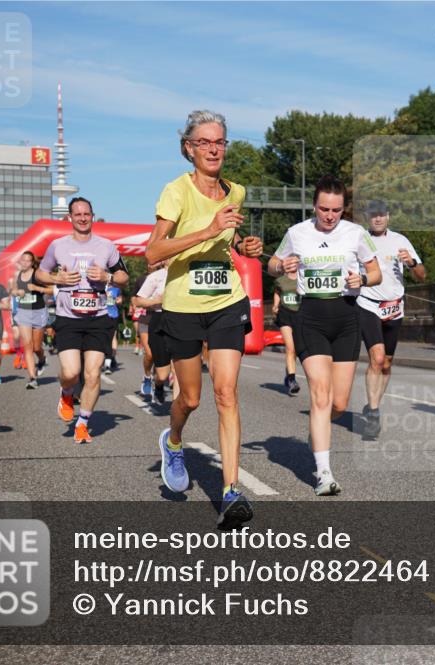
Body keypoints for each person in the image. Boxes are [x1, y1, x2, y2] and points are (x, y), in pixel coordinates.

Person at [145, 110, 263, 529]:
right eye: (205, 142)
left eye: (220, 142)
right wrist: (209, 228)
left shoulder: (236, 191)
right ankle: (174, 441)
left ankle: (231, 491)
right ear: (189, 148)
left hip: (227, 301)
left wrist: (244, 247)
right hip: (182, 307)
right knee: (190, 398)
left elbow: (227, 243)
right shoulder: (176, 192)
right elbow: (153, 253)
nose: (214, 149)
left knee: (227, 393)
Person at [268, 175, 381, 496]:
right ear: (314, 205)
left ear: (344, 208)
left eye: (336, 210)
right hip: (311, 319)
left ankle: (317, 434)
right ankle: (323, 472)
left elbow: (376, 272)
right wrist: (281, 266)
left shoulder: (355, 233)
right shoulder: (297, 233)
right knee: (320, 394)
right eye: (323, 209)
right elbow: (273, 264)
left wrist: (363, 279)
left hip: (346, 319)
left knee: (340, 404)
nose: (330, 216)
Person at [36, 197, 129, 443]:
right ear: (70, 217)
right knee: (71, 372)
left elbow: (123, 276)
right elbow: (40, 272)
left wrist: (108, 276)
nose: (82, 218)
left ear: (92, 215)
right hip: (68, 317)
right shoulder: (57, 246)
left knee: (93, 373)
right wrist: (58, 279)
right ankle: (67, 393)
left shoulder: (107, 246)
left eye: (86, 213)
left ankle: (83, 423)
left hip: (98, 317)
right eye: (77, 214)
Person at [356, 200, 424, 439]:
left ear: (388, 217)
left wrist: (412, 263)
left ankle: (373, 403)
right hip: (368, 304)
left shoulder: (400, 241)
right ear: (367, 217)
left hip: (394, 307)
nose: (377, 219)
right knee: (376, 358)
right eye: (373, 215)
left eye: (381, 215)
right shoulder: (359, 239)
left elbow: (421, 274)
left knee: (386, 363)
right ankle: (373, 413)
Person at [132, 260, 172, 405]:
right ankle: (148, 376)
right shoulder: (148, 278)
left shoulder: (184, 273)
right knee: (150, 354)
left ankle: (167, 383)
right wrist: (156, 300)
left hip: (174, 319)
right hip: (148, 318)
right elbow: (136, 300)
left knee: (173, 357)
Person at [10, 251, 50, 388]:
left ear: (32, 262)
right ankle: (32, 378)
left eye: (28, 261)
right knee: (27, 345)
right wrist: (16, 292)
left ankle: (42, 358)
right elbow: (13, 290)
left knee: (36, 347)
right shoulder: (18, 274)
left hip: (38, 312)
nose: (25, 263)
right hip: (23, 312)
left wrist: (37, 288)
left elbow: (52, 290)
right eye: (23, 260)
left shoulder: (38, 274)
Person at [272, 266, 301, 395]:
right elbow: (277, 292)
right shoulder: (281, 280)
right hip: (285, 313)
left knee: (297, 349)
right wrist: (275, 305)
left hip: (301, 314)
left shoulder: (304, 277)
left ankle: (288, 373)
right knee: (290, 348)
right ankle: (292, 380)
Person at [103, 281, 122, 375]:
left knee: (112, 338)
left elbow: (120, 300)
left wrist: (116, 300)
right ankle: (106, 357)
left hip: (112, 315)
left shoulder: (116, 289)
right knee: (102, 339)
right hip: (100, 316)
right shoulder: (97, 286)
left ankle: (109, 361)